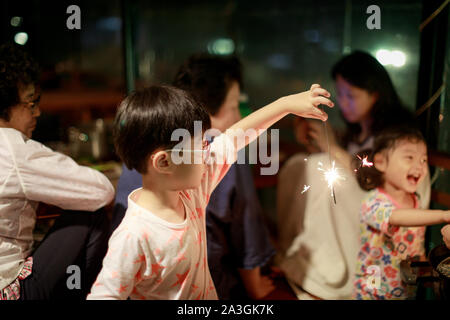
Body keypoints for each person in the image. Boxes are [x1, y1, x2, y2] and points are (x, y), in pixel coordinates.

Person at [86, 83, 333, 300]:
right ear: (163, 163)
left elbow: (236, 137)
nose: (209, 152)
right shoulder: (134, 236)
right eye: (201, 146)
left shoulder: (192, 192)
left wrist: (285, 104)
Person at [111, 54, 276, 300]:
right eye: (233, 107)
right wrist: (255, 289)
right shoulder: (203, 158)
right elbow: (247, 237)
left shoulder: (143, 151)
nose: (238, 117)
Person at [276, 50, 431, 299]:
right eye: (341, 94)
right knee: (298, 164)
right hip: (359, 196)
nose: (343, 102)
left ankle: (327, 270)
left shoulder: (397, 135)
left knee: (320, 170)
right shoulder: (358, 130)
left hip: (384, 204)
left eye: (352, 95)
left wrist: (334, 151)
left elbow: (376, 179)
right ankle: (300, 253)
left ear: (376, 94)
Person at [0, 43, 115, 300]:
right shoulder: (11, 146)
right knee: (92, 215)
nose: (38, 112)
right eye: (32, 103)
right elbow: (101, 191)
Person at [352, 125, 450, 300]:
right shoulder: (373, 201)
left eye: (423, 160)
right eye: (409, 157)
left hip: (404, 288)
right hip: (373, 290)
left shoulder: (415, 199)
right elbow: (397, 217)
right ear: (381, 162)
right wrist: (444, 215)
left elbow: (415, 239)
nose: (419, 166)